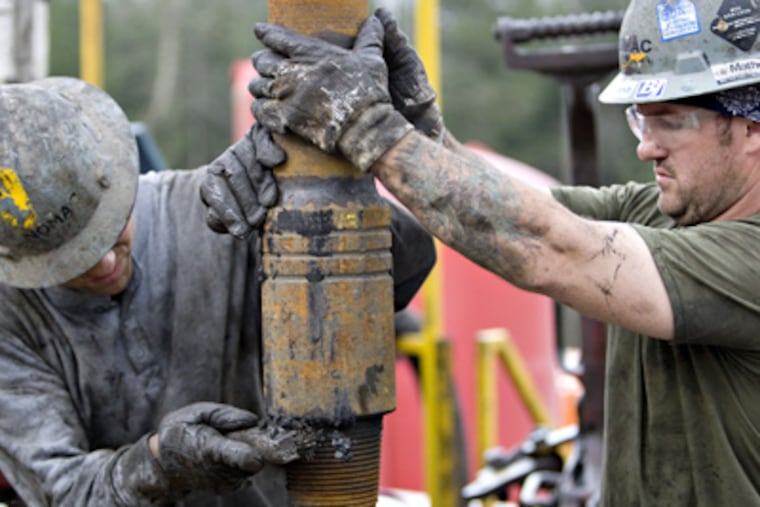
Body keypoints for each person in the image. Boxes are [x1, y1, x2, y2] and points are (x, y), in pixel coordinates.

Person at [248, 1, 760, 505]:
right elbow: (509, 213)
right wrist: (421, 124)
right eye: (640, 120)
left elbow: (552, 247)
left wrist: (366, 128)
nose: (647, 147)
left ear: (750, 126)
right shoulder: (662, 211)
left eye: (669, 121)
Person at [0, 76, 435, 506]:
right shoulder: (10, 320)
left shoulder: (223, 209)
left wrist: (318, 184)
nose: (105, 264)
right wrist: (159, 463)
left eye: (109, 231)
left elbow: (406, 269)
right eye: (68, 261)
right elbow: (62, 491)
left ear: (116, 176)